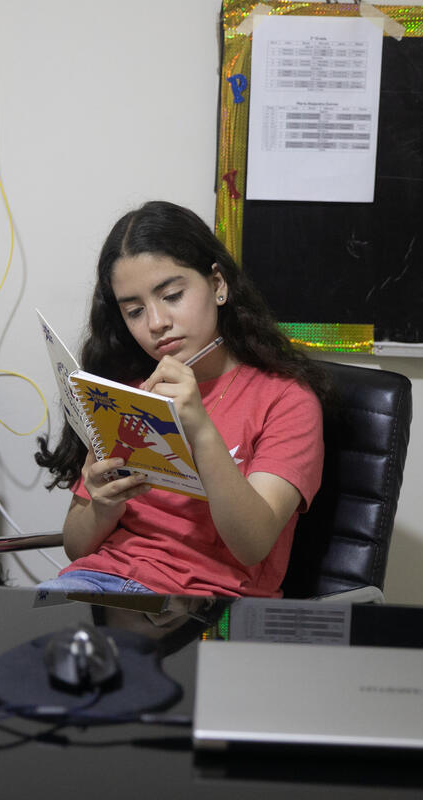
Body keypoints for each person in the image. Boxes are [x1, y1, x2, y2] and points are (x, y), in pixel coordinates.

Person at [35, 200, 330, 597]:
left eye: (172, 295)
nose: (157, 323)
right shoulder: (126, 392)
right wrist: (103, 506)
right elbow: (76, 547)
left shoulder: (286, 400)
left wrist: (202, 430)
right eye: (135, 311)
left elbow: (252, 544)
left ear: (217, 284)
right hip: (98, 585)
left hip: (208, 606)